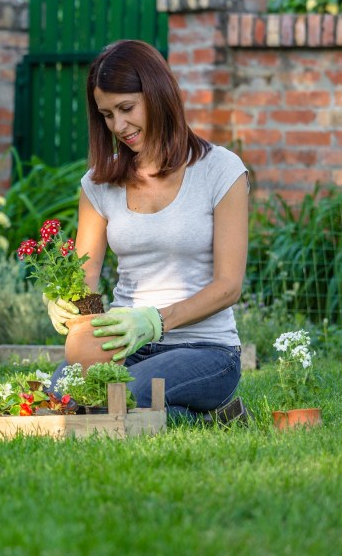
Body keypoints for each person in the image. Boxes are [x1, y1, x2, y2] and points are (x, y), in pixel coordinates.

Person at [45, 39, 250, 424]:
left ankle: (188, 413)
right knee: (64, 394)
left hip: (206, 350)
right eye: (107, 114)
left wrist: (154, 321)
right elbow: (84, 280)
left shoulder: (220, 171)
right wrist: (66, 300)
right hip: (125, 347)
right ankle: (204, 418)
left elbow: (228, 286)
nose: (118, 126)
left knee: (122, 393)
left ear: (157, 95)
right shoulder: (98, 184)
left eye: (126, 108)